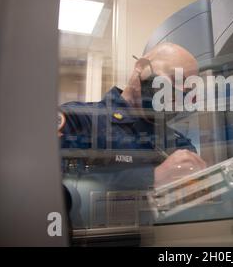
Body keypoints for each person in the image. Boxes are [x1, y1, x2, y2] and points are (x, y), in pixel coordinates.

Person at [59, 43, 207, 227]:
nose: (179, 94)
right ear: (141, 68)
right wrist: (152, 178)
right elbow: (46, 189)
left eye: (188, 90)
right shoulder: (79, 121)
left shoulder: (180, 146)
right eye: (175, 79)